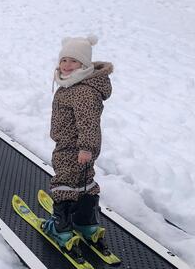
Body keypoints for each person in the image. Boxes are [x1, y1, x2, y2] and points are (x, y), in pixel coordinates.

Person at [42, 35, 113, 253]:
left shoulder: (82, 91)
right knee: (83, 182)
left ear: (84, 64)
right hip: (78, 147)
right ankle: (86, 223)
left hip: (72, 148)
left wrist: (85, 148)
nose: (67, 65)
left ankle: (61, 228)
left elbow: (88, 123)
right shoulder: (76, 85)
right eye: (64, 60)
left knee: (64, 182)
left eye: (74, 61)